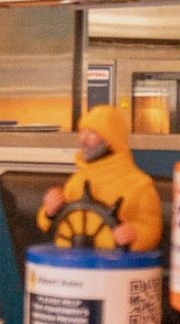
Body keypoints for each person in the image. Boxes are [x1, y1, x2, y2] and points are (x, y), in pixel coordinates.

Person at [37, 104, 162, 252]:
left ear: (110, 140)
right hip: (71, 268)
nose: (83, 139)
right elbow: (53, 223)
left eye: (91, 134)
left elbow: (152, 229)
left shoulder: (139, 185)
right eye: (82, 132)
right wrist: (49, 212)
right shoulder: (76, 182)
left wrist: (134, 233)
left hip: (116, 269)